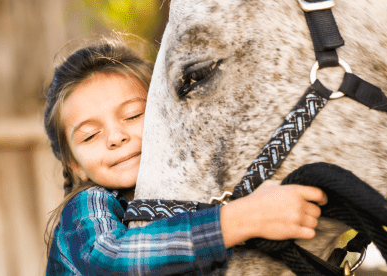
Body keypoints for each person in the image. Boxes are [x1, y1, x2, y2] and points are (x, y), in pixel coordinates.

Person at [43, 39, 328, 275]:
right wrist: (241, 220)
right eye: (90, 135)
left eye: (133, 115)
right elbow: (110, 257)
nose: (115, 138)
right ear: (75, 165)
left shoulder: (187, 192)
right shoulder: (88, 205)